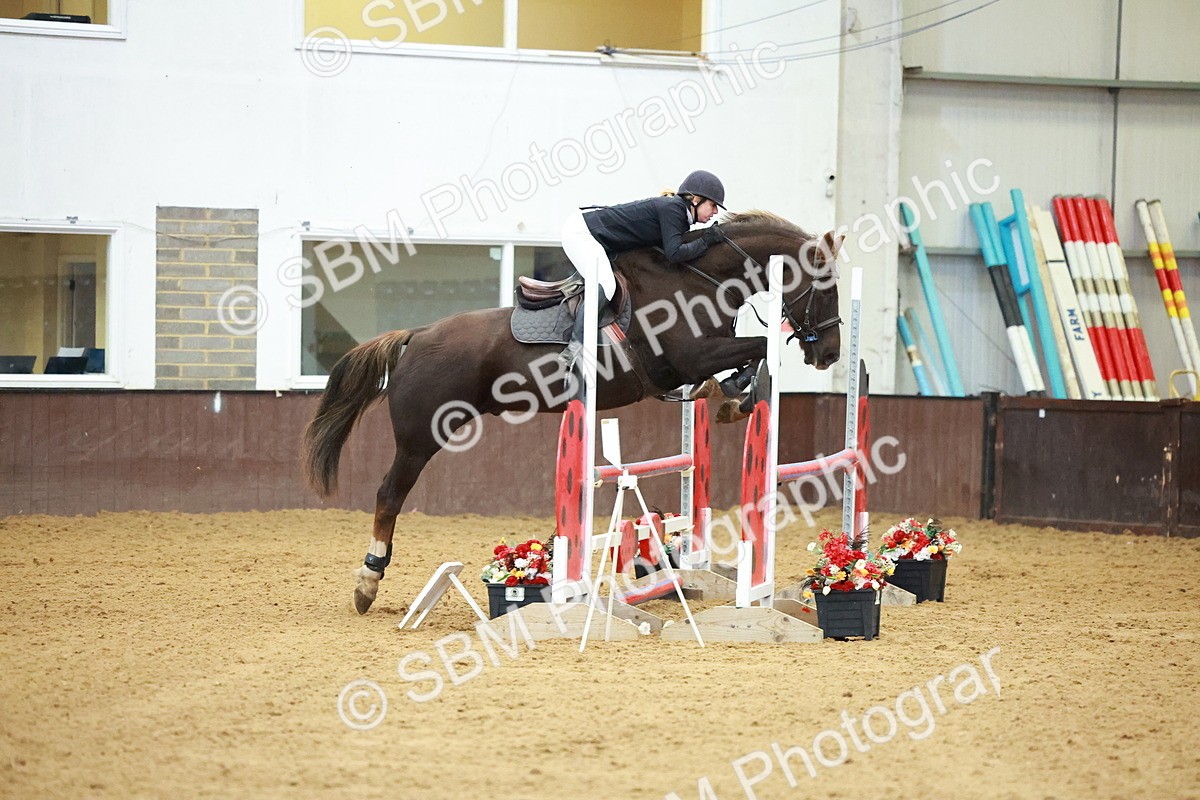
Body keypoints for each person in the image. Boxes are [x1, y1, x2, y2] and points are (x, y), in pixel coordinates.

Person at [558, 170, 727, 379]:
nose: (716, 212)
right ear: (696, 199)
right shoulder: (673, 209)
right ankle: (573, 350)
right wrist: (706, 241)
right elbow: (675, 254)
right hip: (581, 233)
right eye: (713, 205)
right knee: (607, 286)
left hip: (596, 236)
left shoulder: (677, 213)